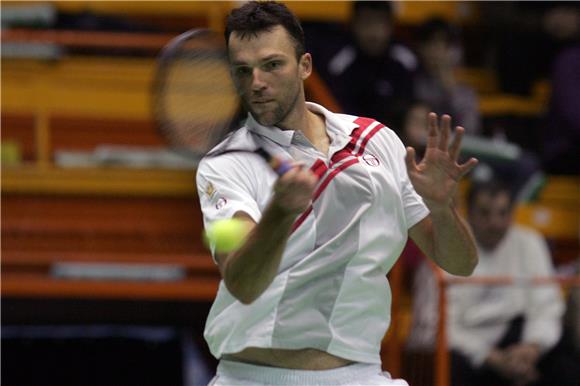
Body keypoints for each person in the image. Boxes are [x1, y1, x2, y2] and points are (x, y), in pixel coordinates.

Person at [195, 2, 478, 385]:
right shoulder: (224, 165)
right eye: (242, 71)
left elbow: (459, 263)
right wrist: (280, 211)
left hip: (359, 375)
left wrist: (443, 209)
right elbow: (242, 282)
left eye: (272, 65)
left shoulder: (377, 141)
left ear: (305, 66)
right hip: (255, 377)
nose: (256, 82)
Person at [407, 176, 573, 386]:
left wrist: (532, 347)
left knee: (563, 359)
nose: (494, 223)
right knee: (451, 363)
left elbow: (547, 308)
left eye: (502, 213)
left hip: (516, 344)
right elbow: (433, 327)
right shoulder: (443, 246)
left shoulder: (530, 242)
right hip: (464, 352)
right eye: (485, 213)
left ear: (512, 213)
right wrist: (488, 356)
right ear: (469, 212)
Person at [309, 1, 417, 130]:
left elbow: (413, 109)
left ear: (391, 26)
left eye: (380, 23)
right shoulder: (339, 63)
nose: (373, 33)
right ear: (354, 25)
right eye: (366, 23)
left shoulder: (405, 60)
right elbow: (333, 111)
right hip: (350, 135)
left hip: (397, 136)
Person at [414, 17, 481, 135]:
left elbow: (471, 130)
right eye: (431, 43)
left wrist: (450, 89)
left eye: (443, 44)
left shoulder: (466, 92)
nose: (436, 50)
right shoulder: (412, 82)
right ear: (420, 47)